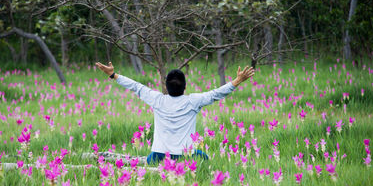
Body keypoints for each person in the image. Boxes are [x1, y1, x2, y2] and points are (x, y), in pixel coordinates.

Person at [95, 62, 255, 164]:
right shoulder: (193, 101)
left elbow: (136, 86)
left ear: (166, 87)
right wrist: (237, 81)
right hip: (185, 156)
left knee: (148, 161)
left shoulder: (157, 99)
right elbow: (215, 94)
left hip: (157, 155)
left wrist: (113, 74)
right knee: (204, 158)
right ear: (185, 87)